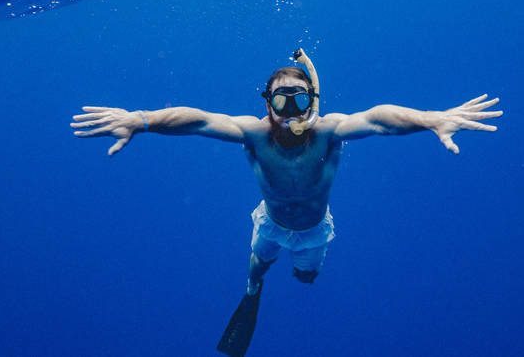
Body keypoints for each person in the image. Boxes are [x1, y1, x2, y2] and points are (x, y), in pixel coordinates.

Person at [70, 49, 502, 357]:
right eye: (281, 100)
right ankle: (253, 290)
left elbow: (378, 118)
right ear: (267, 104)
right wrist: (142, 120)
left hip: (314, 229)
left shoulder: (328, 131)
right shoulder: (254, 133)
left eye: (299, 99)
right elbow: (198, 120)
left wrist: (429, 120)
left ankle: (292, 272)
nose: (290, 110)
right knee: (258, 266)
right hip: (271, 222)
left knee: (306, 276)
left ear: (312, 102)